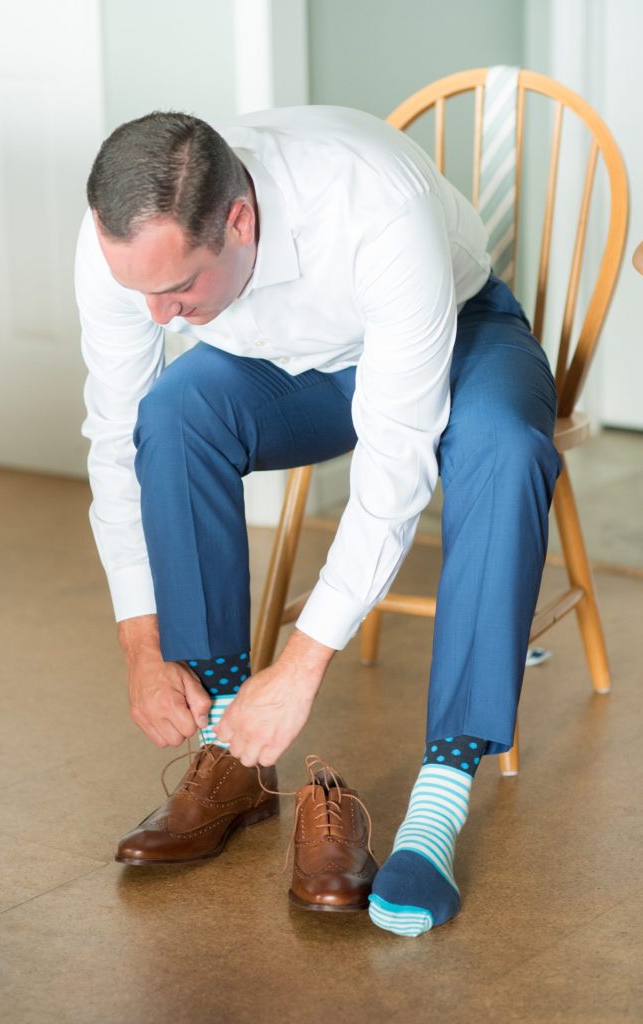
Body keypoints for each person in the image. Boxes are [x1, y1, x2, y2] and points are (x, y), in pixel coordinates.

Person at [75, 104, 561, 937]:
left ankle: (439, 804)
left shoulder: (374, 201)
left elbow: (394, 460)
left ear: (238, 219)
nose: (158, 316)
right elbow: (115, 441)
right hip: (289, 368)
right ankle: (231, 748)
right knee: (172, 414)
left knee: (506, 449)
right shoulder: (126, 243)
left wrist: (302, 666)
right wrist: (139, 643)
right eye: (139, 291)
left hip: (458, 334)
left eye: (179, 288)